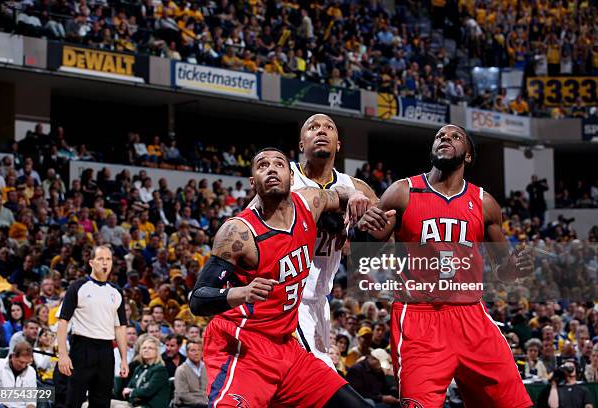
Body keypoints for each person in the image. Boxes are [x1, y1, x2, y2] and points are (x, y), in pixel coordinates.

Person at [357, 124, 534, 407]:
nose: (445, 139)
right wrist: (364, 229)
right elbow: (368, 245)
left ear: (467, 156)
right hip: (419, 317)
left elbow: (502, 270)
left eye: (455, 137)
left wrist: (514, 268)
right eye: (440, 136)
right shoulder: (403, 191)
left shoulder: (484, 202)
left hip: (471, 315)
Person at [189, 147, 373, 407]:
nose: (272, 169)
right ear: (253, 182)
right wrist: (241, 293)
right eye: (262, 165)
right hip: (243, 346)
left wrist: (354, 193)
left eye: (279, 164)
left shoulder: (310, 202)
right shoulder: (238, 232)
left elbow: (338, 194)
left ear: (291, 176)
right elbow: (198, 299)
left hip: (287, 348)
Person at [286, 114, 379, 369]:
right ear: (302, 144)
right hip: (287, 296)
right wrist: (342, 203)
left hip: (319, 301)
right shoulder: (286, 177)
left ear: (338, 144)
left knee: (304, 384)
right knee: (321, 372)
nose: (321, 131)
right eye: (313, 127)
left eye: (329, 127)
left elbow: (386, 234)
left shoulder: (357, 186)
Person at [56, 245, 129, 407]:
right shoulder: (77, 286)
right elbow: (63, 321)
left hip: (106, 350)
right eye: (101, 259)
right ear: (91, 262)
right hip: (82, 347)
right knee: (73, 400)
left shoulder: (116, 291)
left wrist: (124, 359)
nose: (105, 263)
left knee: (102, 401)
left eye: (108, 259)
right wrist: (62, 354)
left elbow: (120, 327)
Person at [112, 335, 170, 408]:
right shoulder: (139, 368)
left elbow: (148, 391)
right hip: (136, 403)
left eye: (150, 348)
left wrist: (132, 392)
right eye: (144, 348)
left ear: (157, 352)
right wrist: (134, 394)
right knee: (110, 403)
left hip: (150, 405)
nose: (146, 350)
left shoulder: (160, 370)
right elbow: (127, 389)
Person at [0, 341, 37, 408]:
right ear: (13, 356)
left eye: (27, 363)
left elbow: (31, 400)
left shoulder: (31, 371)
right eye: (21, 362)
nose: (23, 366)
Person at [174, 339, 208, 408]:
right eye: (193, 350)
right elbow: (182, 394)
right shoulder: (181, 370)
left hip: (206, 403)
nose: (196, 353)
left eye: (199, 350)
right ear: (187, 353)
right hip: (187, 405)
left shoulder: (207, 368)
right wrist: (203, 402)